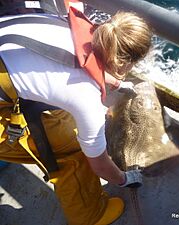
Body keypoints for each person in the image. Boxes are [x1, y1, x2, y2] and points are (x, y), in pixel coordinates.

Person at [0, 3, 152, 225]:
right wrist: (124, 179)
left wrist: (112, 81)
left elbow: (63, 62)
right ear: (126, 64)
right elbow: (98, 164)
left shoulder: (68, 24)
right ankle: (90, 216)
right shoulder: (86, 97)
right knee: (72, 150)